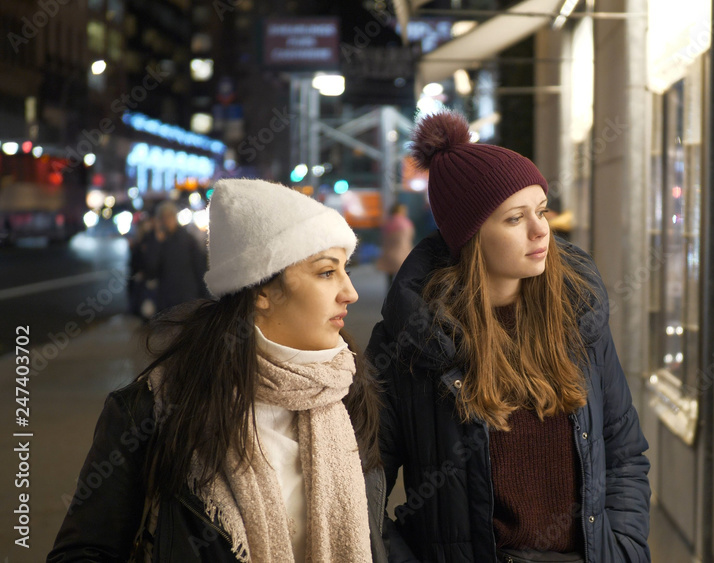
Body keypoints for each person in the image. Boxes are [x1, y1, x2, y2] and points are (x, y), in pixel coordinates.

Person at [49, 179, 386, 563]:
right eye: (327, 272)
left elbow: (376, 530)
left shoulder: (349, 391)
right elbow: (83, 553)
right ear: (260, 290)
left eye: (346, 269)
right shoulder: (153, 412)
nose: (350, 292)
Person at [366, 112, 651, 563]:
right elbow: (362, 482)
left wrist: (626, 549)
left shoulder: (578, 318)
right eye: (515, 218)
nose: (541, 231)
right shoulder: (410, 341)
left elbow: (624, 452)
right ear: (471, 238)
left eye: (541, 211)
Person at [152, 200, 208, 313]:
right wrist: (157, 242)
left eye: (169, 216)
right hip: (166, 301)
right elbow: (151, 268)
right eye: (163, 217)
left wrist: (204, 297)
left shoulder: (187, 239)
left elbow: (200, 267)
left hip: (187, 298)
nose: (166, 221)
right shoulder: (158, 241)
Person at [376, 202, 415, 287]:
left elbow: (382, 238)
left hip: (388, 253)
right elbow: (409, 238)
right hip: (402, 253)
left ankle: (389, 292)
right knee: (402, 276)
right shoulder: (405, 222)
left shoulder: (387, 223)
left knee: (389, 276)